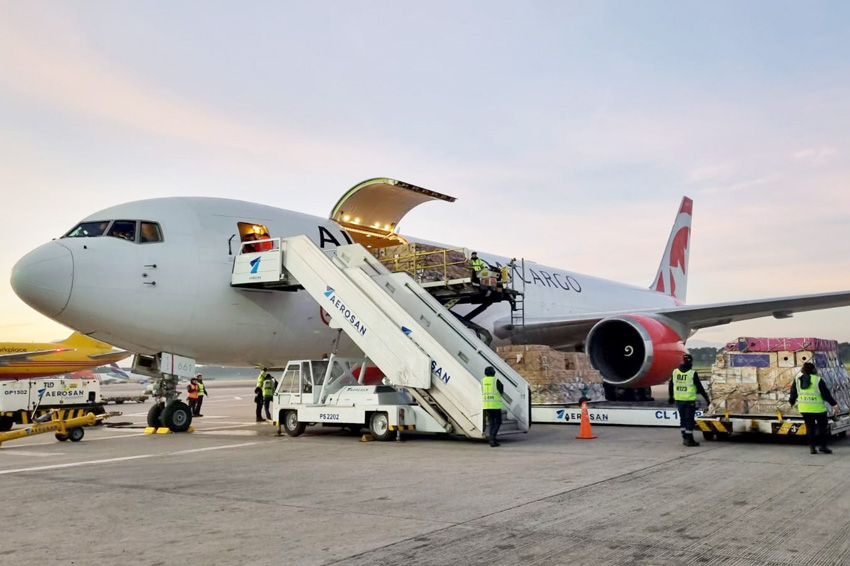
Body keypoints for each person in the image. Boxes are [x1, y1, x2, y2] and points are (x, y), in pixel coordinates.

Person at [790, 362, 839, 454]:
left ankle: (812, 448)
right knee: (822, 428)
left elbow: (793, 393)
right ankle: (823, 447)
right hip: (818, 409)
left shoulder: (797, 380)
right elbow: (826, 394)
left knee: (810, 428)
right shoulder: (818, 380)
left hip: (804, 409)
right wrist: (834, 405)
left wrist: (792, 402)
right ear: (814, 370)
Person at [668, 353, 710, 447]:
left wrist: (671, 397)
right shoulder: (692, 373)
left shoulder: (675, 372)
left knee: (682, 419)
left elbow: (671, 385)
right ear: (691, 362)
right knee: (689, 420)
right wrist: (707, 399)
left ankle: (684, 437)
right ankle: (689, 439)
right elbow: (700, 388)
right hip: (689, 401)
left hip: (679, 400)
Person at [482, 366, 504, 447]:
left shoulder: (482, 381)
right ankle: (493, 437)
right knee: (498, 422)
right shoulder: (495, 380)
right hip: (495, 405)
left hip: (486, 405)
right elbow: (501, 390)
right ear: (493, 372)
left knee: (491, 423)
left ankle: (492, 438)